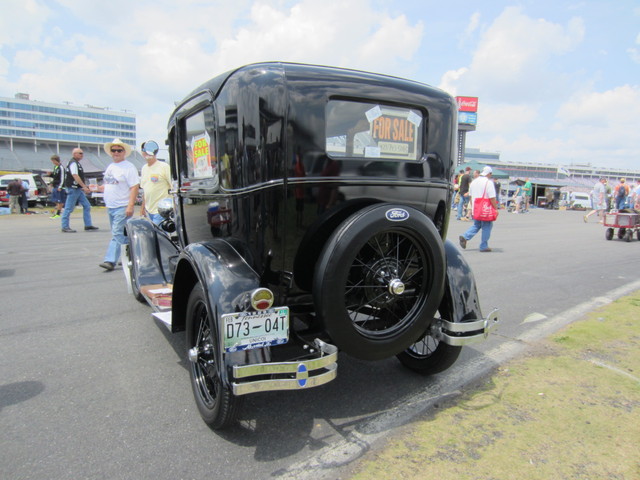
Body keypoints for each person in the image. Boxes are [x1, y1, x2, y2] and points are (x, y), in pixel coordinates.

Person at [99, 139, 140, 271]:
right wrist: (98, 188)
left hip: (122, 205)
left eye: (119, 150)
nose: (116, 152)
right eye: (114, 150)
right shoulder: (111, 167)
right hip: (111, 205)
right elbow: (110, 184)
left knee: (116, 233)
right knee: (120, 234)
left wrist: (130, 205)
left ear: (124, 152)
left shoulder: (128, 167)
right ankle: (130, 255)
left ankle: (110, 260)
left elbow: (134, 187)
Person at [459, 166, 498, 252]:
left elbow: (471, 196)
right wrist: (495, 208)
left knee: (477, 225)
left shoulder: (474, 182)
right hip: (485, 209)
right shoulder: (488, 183)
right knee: (487, 226)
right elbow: (492, 198)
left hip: (476, 208)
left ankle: (465, 236)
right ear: (489, 174)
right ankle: (483, 246)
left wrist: (473, 207)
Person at [60, 148, 99, 233]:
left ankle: (88, 225)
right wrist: (84, 186)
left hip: (77, 188)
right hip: (73, 188)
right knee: (69, 208)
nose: (82, 155)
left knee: (87, 205)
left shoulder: (76, 163)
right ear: (74, 154)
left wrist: (82, 186)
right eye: (80, 153)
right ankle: (65, 226)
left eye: (82, 153)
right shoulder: (73, 163)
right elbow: (75, 175)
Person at [140, 143, 171, 224]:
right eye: (144, 150)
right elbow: (145, 190)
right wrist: (142, 208)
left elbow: (173, 187)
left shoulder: (164, 166)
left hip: (161, 210)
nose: (147, 152)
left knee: (159, 234)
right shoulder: (144, 168)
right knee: (153, 235)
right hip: (149, 210)